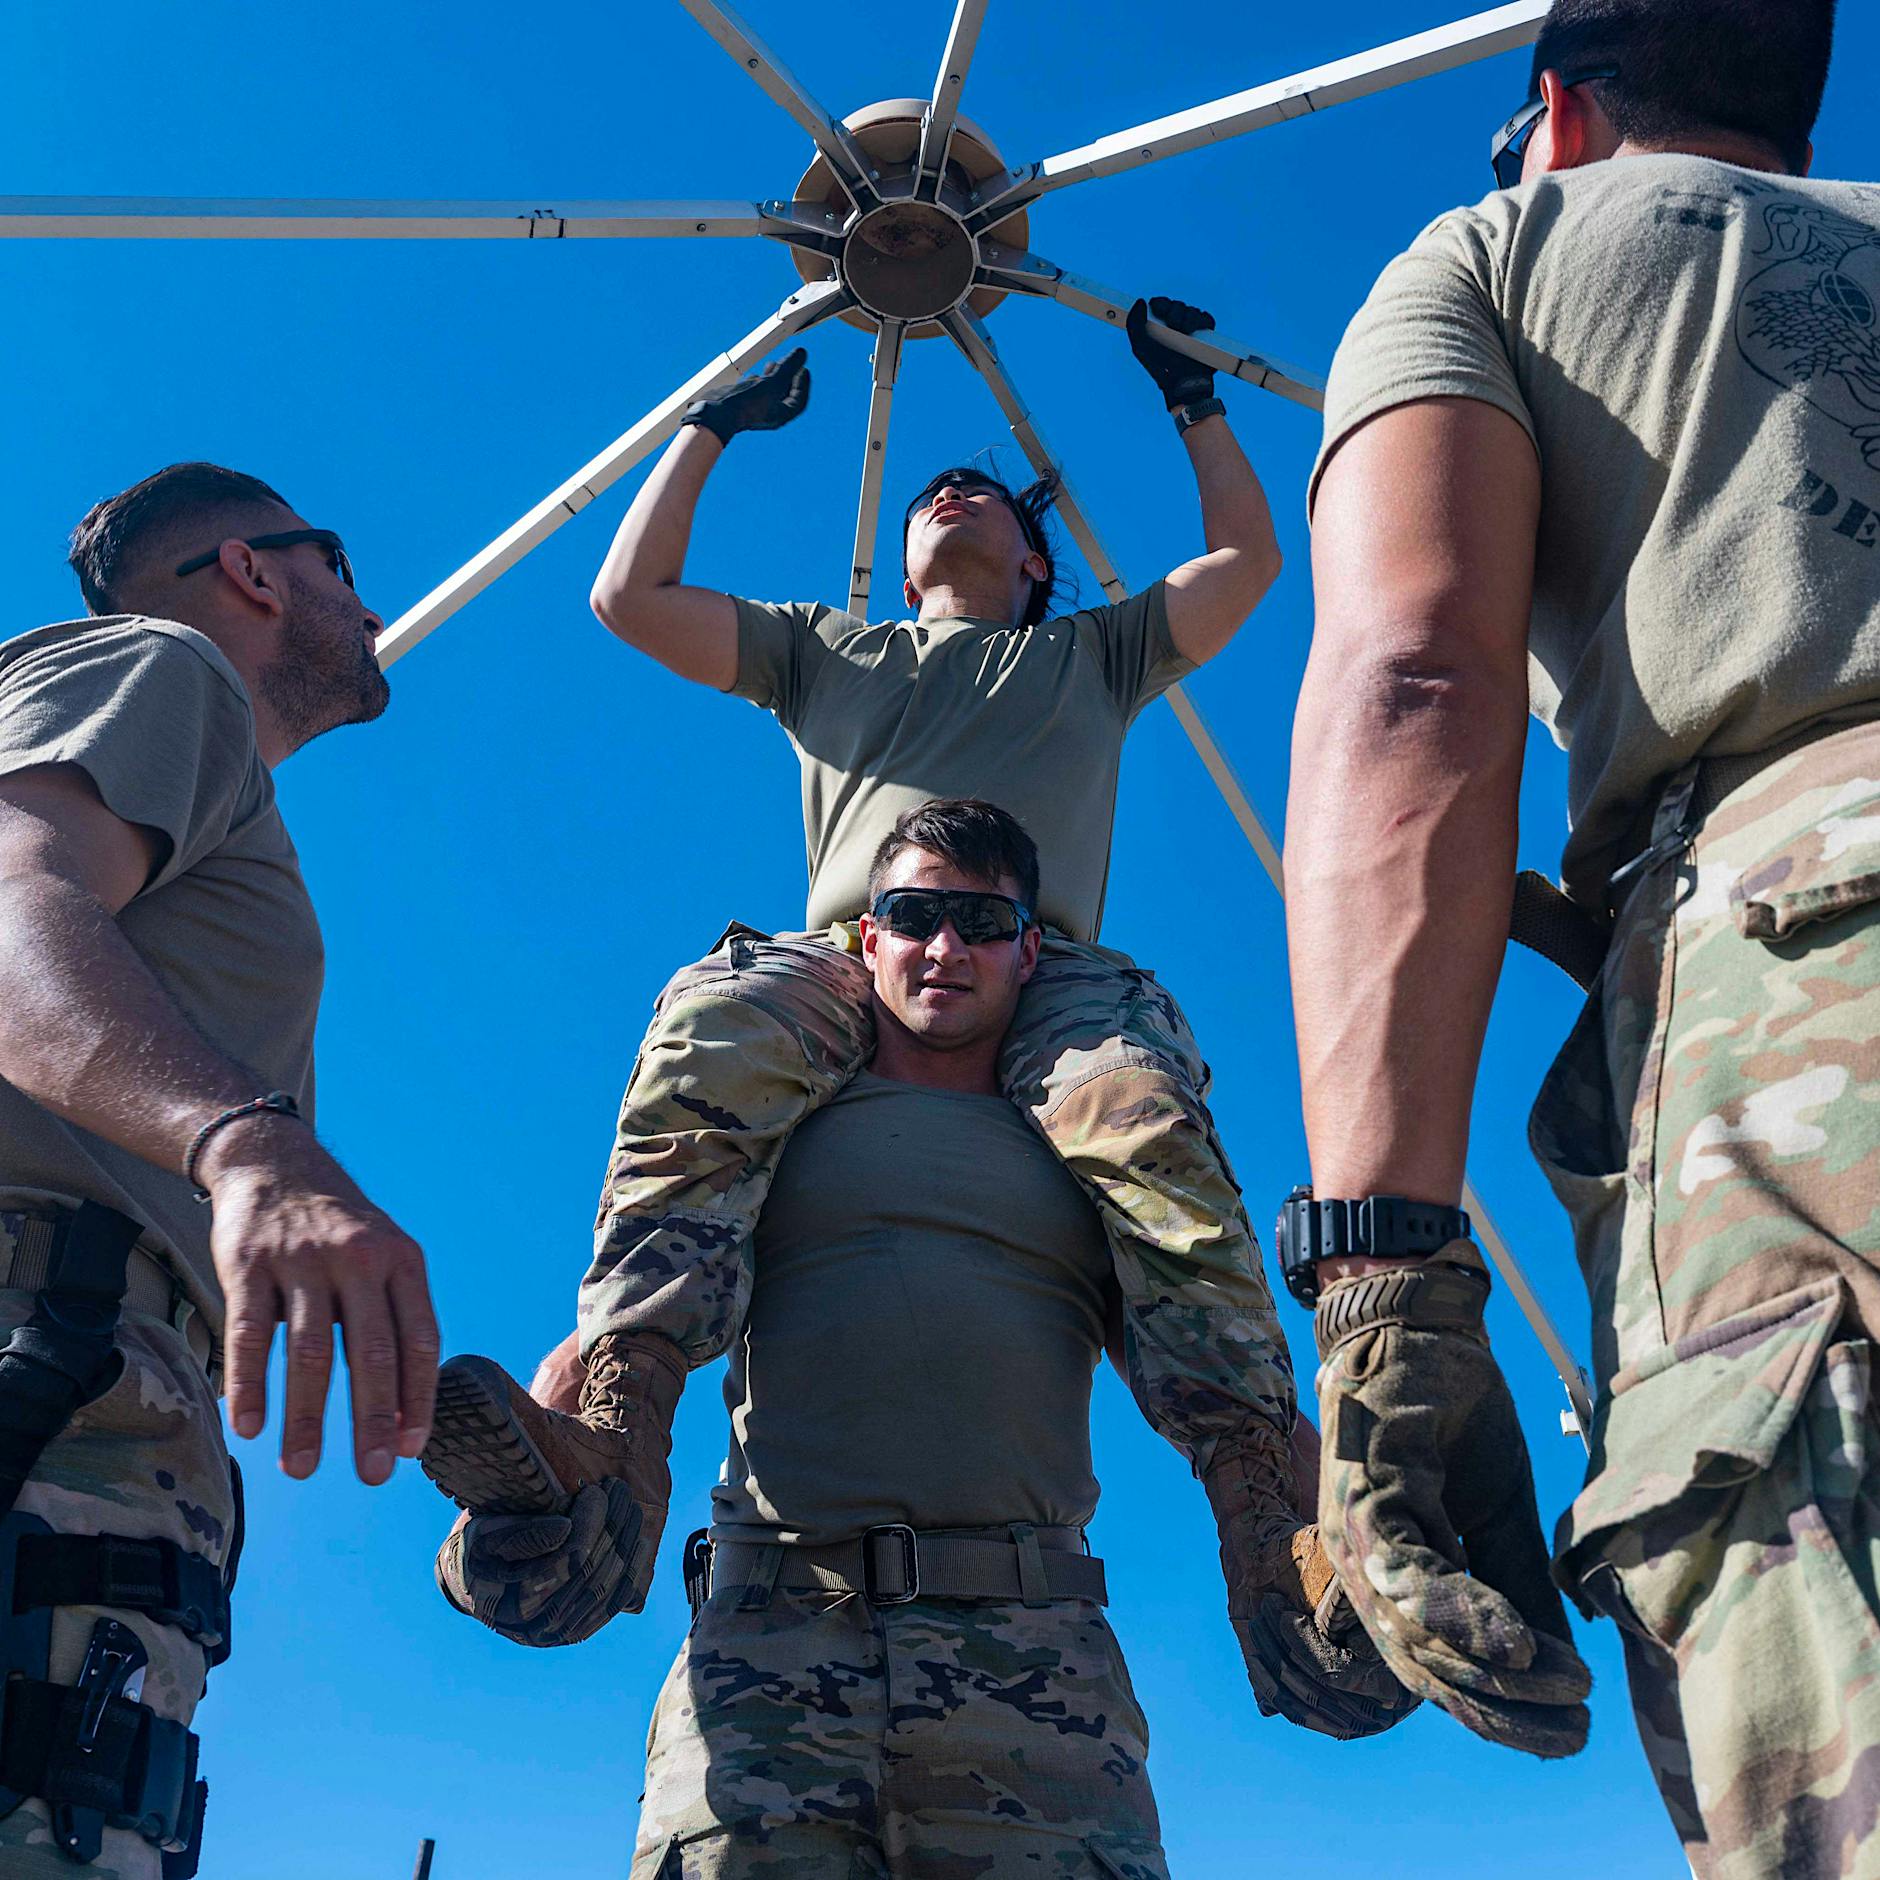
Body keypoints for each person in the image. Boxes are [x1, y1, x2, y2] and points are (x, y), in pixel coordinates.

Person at [1285, 0, 1873, 1870]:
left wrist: (1385, 1282)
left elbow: (1417, 680)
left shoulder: (1500, 252)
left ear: (1556, 112)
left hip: (1817, 947)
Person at [438, 799, 1414, 1877]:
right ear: (867, 937)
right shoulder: (773, 1112)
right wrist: (547, 1467)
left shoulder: (1086, 1143)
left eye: (982, 923)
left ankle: (1269, 1545)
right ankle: (606, 1473)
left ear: (1029, 950)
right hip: (770, 1641)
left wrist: (1343, 1538)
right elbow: (647, 1275)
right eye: (913, 914)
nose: (945, 948)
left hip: (1032, 1666)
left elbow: (1204, 1325)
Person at [0, 462, 440, 1878]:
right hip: (46, 1343)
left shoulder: (187, 766)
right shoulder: (165, 667)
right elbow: (9, 903)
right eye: (338, 561)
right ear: (258, 573)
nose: (365, 604)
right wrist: (246, 1141)